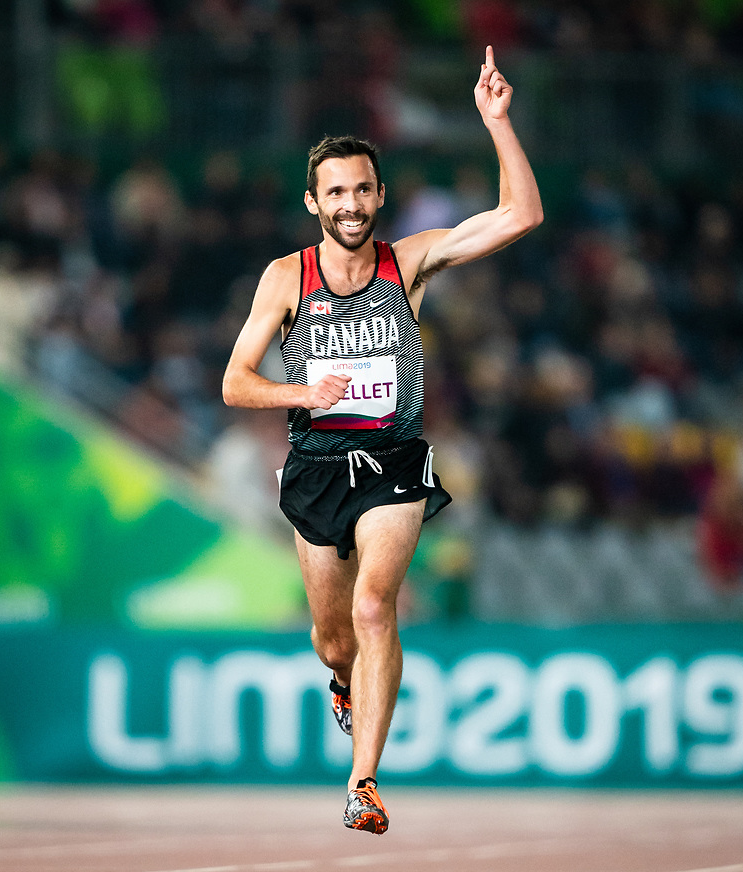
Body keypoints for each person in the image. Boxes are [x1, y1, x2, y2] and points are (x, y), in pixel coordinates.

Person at [222, 45, 542, 834]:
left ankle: (363, 781)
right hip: (316, 470)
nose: (353, 202)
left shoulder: (412, 263)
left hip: (395, 466)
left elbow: (521, 216)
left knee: (375, 608)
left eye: (363, 188)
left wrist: (497, 123)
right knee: (335, 640)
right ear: (313, 201)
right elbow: (234, 381)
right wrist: (303, 391)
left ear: (380, 194)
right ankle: (341, 681)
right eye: (337, 191)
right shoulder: (284, 279)